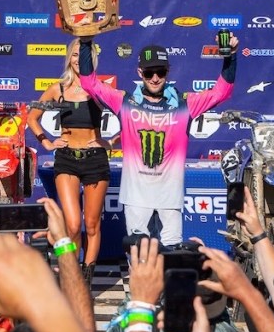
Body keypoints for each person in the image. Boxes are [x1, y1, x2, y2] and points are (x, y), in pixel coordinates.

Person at [77, 38, 237, 245]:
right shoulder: (124, 101)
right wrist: (85, 43)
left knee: (172, 252)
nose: (154, 78)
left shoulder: (184, 104)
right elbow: (89, 83)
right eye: (149, 73)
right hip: (136, 196)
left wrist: (231, 56)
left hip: (169, 196)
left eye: (160, 72)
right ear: (139, 73)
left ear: (167, 72)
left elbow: (222, 92)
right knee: (139, 253)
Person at [27, 38, 110, 284]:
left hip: (95, 160)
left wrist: (110, 143)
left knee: (91, 225)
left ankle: (86, 281)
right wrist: (46, 142)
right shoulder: (58, 89)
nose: (78, 60)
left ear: (91, 59)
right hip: (66, 160)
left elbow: (129, 116)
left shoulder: (100, 89)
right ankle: (71, 275)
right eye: (74, 55)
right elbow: (32, 118)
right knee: (73, 225)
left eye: (83, 55)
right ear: (68, 58)